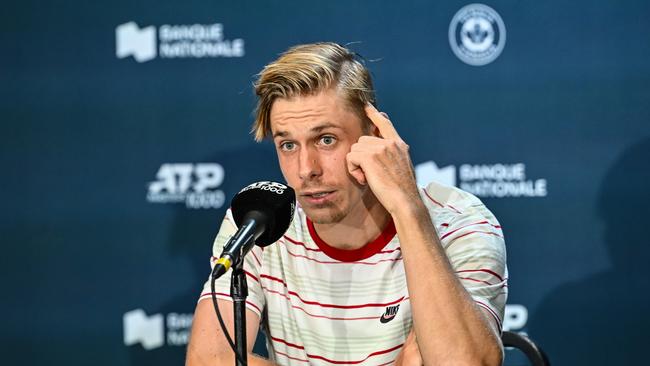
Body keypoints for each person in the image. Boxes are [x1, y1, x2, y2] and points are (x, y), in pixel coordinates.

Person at [186, 42, 507, 366]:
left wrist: (408, 210)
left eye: (326, 139)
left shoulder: (457, 223)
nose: (305, 169)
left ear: (375, 134)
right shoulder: (260, 223)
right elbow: (207, 361)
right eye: (287, 144)